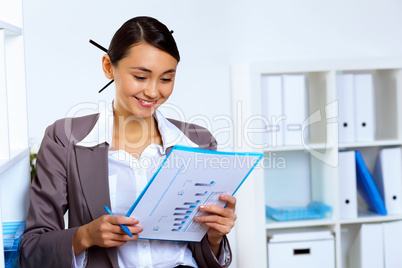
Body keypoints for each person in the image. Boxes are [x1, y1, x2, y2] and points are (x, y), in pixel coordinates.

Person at [18, 16, 237, 268]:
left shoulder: (198, 141)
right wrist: (86, 235)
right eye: (141, 77)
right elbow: (32, 249)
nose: (154, 92)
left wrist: (215, 236)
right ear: (108, 66)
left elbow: (202, 254)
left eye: (166, 79)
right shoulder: (65, 139)